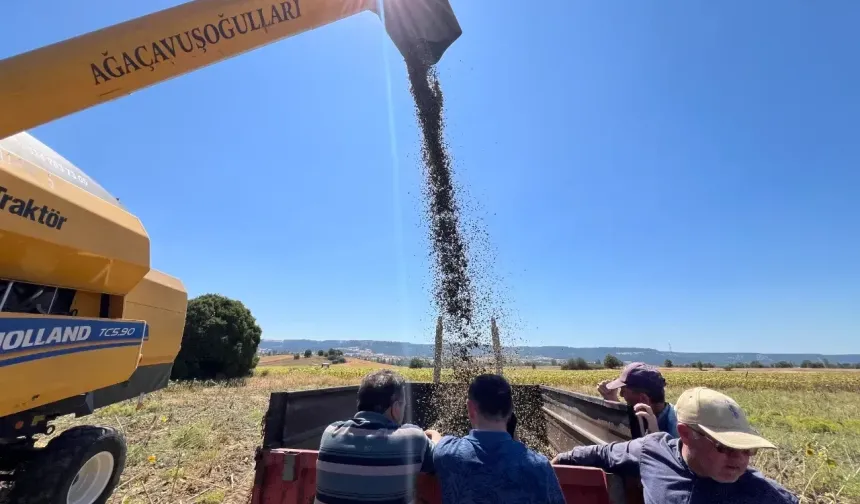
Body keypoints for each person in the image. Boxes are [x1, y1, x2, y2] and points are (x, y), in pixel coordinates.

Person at [552, 387, 799, 504]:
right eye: (725, 447)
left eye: (748, 449)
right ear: (686, 434)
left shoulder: (766, 496)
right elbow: (601, 453)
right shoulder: (652, 451)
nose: (740, 460)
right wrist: (554, 464)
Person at [432, 374, 566, 504]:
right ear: (510, 411)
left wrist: (432, 432)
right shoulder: (540, 466)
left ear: (471, 408)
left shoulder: (447, 454)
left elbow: (436, 441)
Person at [314, 369, 440, 504]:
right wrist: (434, 434)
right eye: (403, 404)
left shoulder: (330, 432)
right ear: (396, 407)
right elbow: (441, 456)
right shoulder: (412, 438)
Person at [598, 361, 679, 437]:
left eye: (623, 390)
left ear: (643, 399)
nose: (621, 394)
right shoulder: (653, 416)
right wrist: (611, 398)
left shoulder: (676, 434)